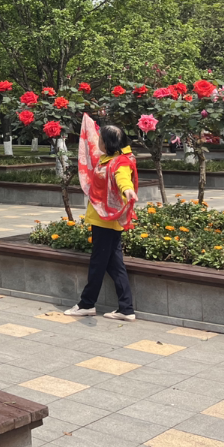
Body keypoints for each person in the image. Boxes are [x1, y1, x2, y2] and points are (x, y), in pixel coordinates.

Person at [65, 124, 138, 321]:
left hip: (106, 222)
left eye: (100, 139)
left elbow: (122, 178)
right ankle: (126, 308)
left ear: (107, 143)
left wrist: (127, 190)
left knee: (98, 264)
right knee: (115, 264)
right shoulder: (108, 159)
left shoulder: (118, 163)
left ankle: (87, 304)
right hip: (106, 220)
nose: (97, 141)